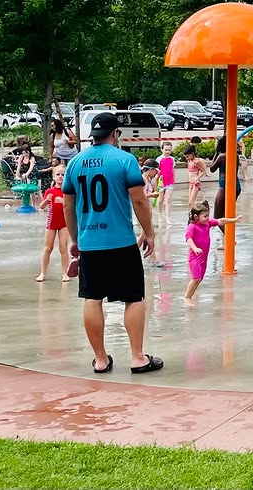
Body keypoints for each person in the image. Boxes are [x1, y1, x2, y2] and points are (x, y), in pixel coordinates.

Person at [62, 112, 162, 375]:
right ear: (115, 133)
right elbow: (139, 200)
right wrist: (149, 232)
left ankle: (100, 359)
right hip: (121, 242)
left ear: (93, 135)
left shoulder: (75, 163)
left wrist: (75, 239)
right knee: (133, 298)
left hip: (90, 243)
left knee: (92, 298)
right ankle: (138, 358)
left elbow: (68, 205)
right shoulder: (125, 160)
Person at [184, 201, 222, 306]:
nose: (207, 218)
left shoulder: (207, 223)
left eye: (208, 216)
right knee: (195, 278)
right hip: (194, 258)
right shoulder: (192, 226)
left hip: (204, 258)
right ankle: (187, 297)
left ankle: (190, 296)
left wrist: (233, 220)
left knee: (199, 279)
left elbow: (220, 221)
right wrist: (195, 248)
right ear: (196, 216)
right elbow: (188, 238)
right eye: (205, 216)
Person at [36, 165, 70, 283]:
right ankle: (42, 272)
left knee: (63, 248)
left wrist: (64, 201)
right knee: (47, 248)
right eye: (58, 174)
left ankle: (65, 273)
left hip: (64, 223)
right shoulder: (50, 191)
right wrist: (46, 200)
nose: (60, 177)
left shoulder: (68, 191)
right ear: (53, 177)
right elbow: (41, 207)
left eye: (63, 174)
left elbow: (74, 206)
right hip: (51, 223)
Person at [209, 136, 242, 222]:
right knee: (227, 213)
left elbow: (212, 169)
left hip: (224, 185)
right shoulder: (236, 155)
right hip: (236, 185)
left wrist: (216, 153)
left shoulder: (222, 156)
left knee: (217, 217)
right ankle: (229, 234)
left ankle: (228, 235)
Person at [156, 141, 176, 224]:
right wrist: (157, 183)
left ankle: (168, 218)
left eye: (169, 150)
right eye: (166, 150)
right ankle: (160, 215)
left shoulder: (172, 159)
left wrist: (173, 179)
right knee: (160, 200)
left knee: (168, 200)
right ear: (162, 149)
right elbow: (157, 171)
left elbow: (172, 169)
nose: (167, 152)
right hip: (161, 182)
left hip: (170, 182)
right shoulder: (159, 159)